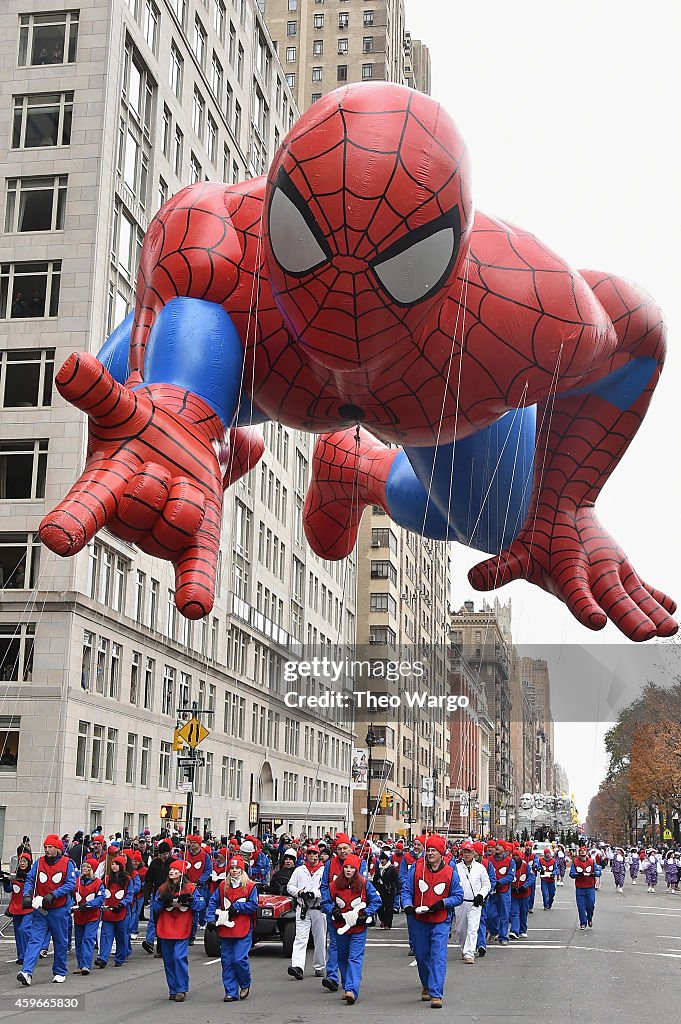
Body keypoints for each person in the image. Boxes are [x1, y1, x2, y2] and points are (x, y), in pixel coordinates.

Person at [402, 834, 464, 1009]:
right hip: (419, 919)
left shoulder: (450, 872)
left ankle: (437, 993)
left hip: (440, 919)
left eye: (433, 850)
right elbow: (406, 890)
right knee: (421, 955)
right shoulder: (416, 869)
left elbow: (458, 896)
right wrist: (407, 905)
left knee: (438, 955)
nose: (429, 853)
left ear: (441, 853)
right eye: (428, 850)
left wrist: (443, 903)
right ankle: (427, 985)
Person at [321, 853, 381, 1005]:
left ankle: (351, 990)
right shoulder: (334, 885)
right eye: (346, 867)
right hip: (340, 927)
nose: (348, 870)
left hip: (358, 928)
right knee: (342, 957)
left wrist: (366, 914)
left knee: (354, 957)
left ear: (357, 869)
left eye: (352, 868)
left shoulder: (364, 884)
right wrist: (333, 911)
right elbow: (326, 902)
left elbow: (376, 900)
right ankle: (348, 984)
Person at [18, 835, 76, 986]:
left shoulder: (67, 863)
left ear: (57, 848)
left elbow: (71, 884)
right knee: (35, 939)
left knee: (60, 941)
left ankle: (59, 971)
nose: (47, 850)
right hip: (41, 909)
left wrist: (54, 894)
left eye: (50, 847)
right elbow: (31, 879)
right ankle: (27, 972)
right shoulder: (39, 862)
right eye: (45, 847)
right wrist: (27, 895)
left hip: (59, 909)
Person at [206, 854, 259, 1002]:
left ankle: (244, 983)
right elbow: (213, 902)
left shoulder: (250, 886)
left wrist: (238, 907)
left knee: (239, 959)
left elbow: (254, 905)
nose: (234, 871)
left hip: (243, 927)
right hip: (226, 928)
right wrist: (210, 919)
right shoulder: (223, 886)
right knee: (227, 960)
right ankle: (231, 991)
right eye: (232, 868)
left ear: (242, 870)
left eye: (237, 868)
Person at [320, 833, 367, 993]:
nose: (342, 851)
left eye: (345, 848)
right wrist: (331, 908)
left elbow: (365, 887)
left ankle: (351, 982)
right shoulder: (330, 864)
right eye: (339, 848)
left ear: (351, 848)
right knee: (334, 944)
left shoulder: (360, 863)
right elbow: (325, 887)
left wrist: (362, 912)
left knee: (353, 953)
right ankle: (332, 976)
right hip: (336, 913)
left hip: (354, 915)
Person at [152, 859, 205, 1002]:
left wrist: (190, 899)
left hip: (182, 927)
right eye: (171, 870)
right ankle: (173, 989)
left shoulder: (190, 888)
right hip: (165, 927)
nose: (172, 872)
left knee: (179, 957)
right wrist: (162, 900)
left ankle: (181, 988)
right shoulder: (163, 888)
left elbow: (200, 905)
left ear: (182, 873)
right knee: (168, 960)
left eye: (176, 870)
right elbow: (155, 909)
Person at [287, 844, 327, 980]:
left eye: (314, 853)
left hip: (318, 908)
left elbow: (327, 888)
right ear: (306, 855)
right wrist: (299, 892)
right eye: (310, 853)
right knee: (300, 938)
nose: (312, 856)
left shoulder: (324, 870)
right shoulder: (299, 870)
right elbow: (290, 886)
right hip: (303, 907)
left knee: (320, 938)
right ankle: (298, 966)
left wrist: (314, 893)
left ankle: (319, 966)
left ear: (318, 855)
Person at [453, 841, 491, 965]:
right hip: (460, 903)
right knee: (460, 929)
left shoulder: (480, 868)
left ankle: (469, 952)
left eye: (469, 852)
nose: (467, 854)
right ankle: (464, 948)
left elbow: (487, 884)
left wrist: (481, 895)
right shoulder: (456, 868)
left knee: (473, 929)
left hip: (475, 903)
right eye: (465, 852)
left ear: (474, 853)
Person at [95, 854, 133, 967]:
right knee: (105, 935)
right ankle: (103, 958)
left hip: (122, 911)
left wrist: (122, 904)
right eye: (113, 864)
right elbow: (102, 892)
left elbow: (129, 894)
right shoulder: (107, 879)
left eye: (117, 864)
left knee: (121, 936)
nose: (114, 866)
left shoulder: (127, 880)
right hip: (108, 911)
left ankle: (120, 957)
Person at [72, 857, 105, 975]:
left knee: (88, 938)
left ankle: (86, 964)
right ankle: (80, 964)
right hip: (79, 915)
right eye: (83, 866)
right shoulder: (77, 882)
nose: (84, 869)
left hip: (92, 916)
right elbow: (71, 895)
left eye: (87, 867)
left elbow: (101, 898)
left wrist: (88, 905)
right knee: (79, 940)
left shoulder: (98, 883)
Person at [2, 851, 33, 965]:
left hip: (28, 908)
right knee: (18, 933)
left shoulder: (32, 875)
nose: (22, 863)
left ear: (29, 862)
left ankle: (27, 955)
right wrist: (6, 881)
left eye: (24, 861)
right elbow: (9, 889)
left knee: (24, 930)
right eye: (20, 861)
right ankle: (21, 956)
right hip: (16, 908)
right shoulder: (14, 875)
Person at [142, 838, 172, 954]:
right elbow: (148, 880)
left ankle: (164, 947)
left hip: (170, 894)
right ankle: (156, 947)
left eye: (166, 854)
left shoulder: (172, 862)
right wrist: (146, 895)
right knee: (156, 920)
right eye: (163, 854)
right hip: (157, 895)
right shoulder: (154, 863)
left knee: (166, 921)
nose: (165, 856)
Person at [399, 835, 425, 956]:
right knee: (411, 921)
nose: (416, 847)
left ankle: (422, 944)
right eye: (415, 844)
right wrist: (408, 886)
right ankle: (413, 945)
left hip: (423, 893)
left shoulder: (427, 858)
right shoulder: (407, 857)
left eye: (419, 844)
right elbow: (402, 875)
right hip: (411, 893)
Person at [184, 834, 212, 942]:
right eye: (191, 842)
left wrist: (200, 881)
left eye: (194, 842)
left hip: (199, 887)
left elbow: (208, 870)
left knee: (197, 909)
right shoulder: (186, 855)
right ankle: (187, 933)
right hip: (187, 886)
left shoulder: (205, 856)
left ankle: (193, 933)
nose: (191, 844)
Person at [487, 841, 515, 945]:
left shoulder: (509, 861)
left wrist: (500, 882)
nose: (497, 847)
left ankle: (503, 936)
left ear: (504, 848)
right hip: (491, 892)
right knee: (490, 914)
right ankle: (494, 931)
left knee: (504, 914)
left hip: (504, 891)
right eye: (496, 845)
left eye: (500, 845)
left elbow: (511, 876)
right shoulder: (489, 861)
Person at [570, 844, 601, 929]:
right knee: (581, 906)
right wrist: (577, 874)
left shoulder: (591, 861)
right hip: (580, 888)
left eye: (584, 855)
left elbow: (598, 871)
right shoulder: (575, 862)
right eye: (581, 855)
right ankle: (583, 923)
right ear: (579, 855)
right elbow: (571, 874)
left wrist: (594, 873)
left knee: (590, 905)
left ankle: (589, 918)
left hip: (590, 887)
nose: (583, 857)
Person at [510, 851, 534, 939]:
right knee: (514, 912)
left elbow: (532, 877)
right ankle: (514, 930)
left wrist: (524, 887)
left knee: (523, 912)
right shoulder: (510, 865)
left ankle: (522, 930)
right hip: (513, 894)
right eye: (514, 855)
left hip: (524, 894)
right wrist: (511, 886)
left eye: (517, 855)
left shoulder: (526, 865)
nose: (515, 857)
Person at [373, 851, 399, 929]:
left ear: (387, 860)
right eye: (381, 859)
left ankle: (388, 924)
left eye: (383, 859)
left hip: (389, 890)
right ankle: (383, 920)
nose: (382, 861)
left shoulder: (392, 868)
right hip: (380, 890)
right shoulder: (378, 869)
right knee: (380, 907)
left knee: (389, 908)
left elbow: (396, 880)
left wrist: (398, 890)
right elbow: (375, 880)